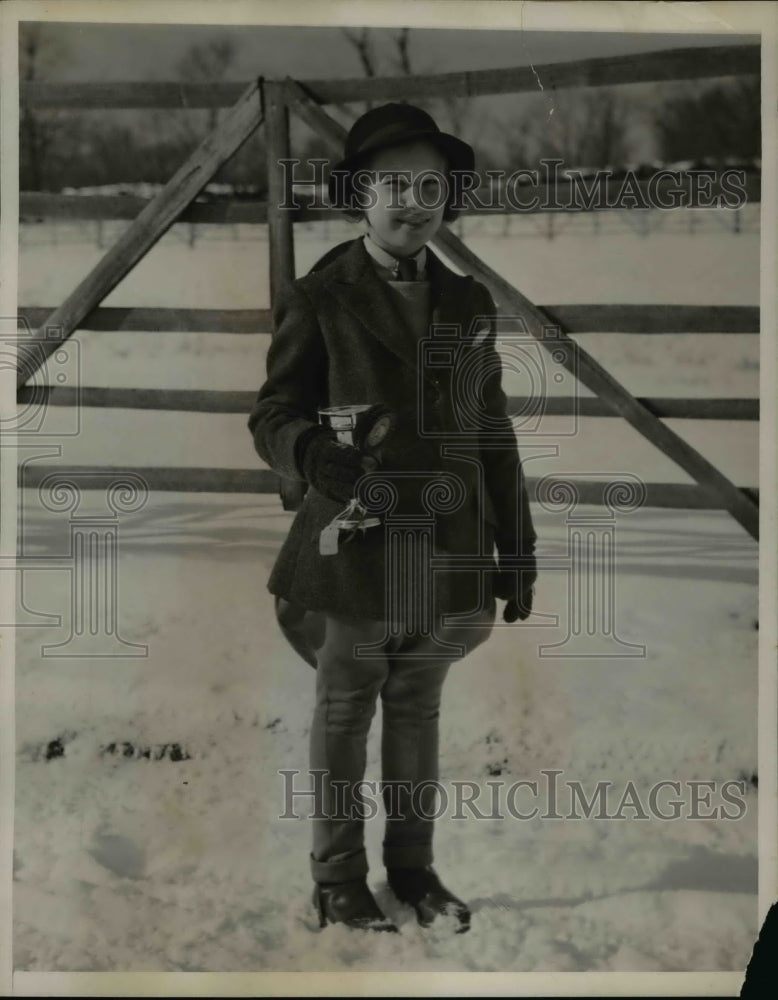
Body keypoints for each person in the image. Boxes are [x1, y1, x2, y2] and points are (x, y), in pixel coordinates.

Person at [248, 103, 537, 934]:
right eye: (396, 185)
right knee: (347, 704)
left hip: (447, 542)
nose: (415, 203)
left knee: (418, 704)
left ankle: (413, 869)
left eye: (432, 188)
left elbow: (491, 429)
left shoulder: (467, 300)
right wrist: (307, 453)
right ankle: (337, 878)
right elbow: (272, 412)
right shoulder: (320, 298)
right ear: (359, 195)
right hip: (359, 546)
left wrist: (515, 548)